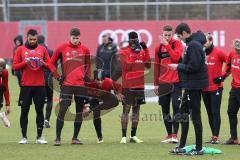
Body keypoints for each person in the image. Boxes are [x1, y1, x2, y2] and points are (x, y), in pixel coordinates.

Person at [168, 23, 208, 155]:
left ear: (185, 32)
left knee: (195, 116)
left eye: (180, 36)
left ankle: (199, 148)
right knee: (182, 114)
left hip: (195, 85)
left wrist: (178, 66)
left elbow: (194, 67)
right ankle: (182, 146)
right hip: (189, 85)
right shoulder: (191, 45)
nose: (179, 39)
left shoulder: (194, 45)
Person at [50, 28, 91, 146]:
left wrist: (86, 78)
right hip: (67, 85)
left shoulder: (85, 49)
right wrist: (58, 77)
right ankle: (57, 138)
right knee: (62, 110)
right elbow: (51, 64)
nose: (75, 40)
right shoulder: (61, 48)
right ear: (70, 37)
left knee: (79, 112)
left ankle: (75, 138)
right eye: (73, 38)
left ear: (80, 37)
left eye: (77, 38)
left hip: (80, 86)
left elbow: (88, 65)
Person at [13, 29, 51, 144]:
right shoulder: (20, 49)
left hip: (40, 86)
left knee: (39, 111)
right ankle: (24, 137)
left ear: (37, 38)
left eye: (35, 39)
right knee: (24, 111)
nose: (33, 41)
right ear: (27, 38)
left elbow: (50, 66)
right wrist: (26, 62)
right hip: (26, 86)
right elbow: (15, 67)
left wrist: (43, 64)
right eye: (31, 39)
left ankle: (39, 137)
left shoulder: (43, 49)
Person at [119, 31, 151, 144]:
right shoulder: (123, 51)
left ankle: (133, 135)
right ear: (129, 40)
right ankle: (123, 136)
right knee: (126, 110)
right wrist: (134, 54)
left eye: (135, 39)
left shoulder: (141, 51)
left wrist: (145, 49)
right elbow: (126, 67)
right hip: (128, 86)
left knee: (136, 111)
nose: (134, 42)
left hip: (139, 86)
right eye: (132, 40)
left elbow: (148, 65)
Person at [154, 25, 183, 143]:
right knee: (165, 109)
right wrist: (156, 84)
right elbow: (156, 66)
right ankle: (169, 134)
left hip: (176, 83)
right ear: (162, 34)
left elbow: (176, 58)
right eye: (165, 35)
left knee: (176, 107)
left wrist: (167, 45)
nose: (167, 37)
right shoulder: (158, 47)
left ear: (172, 35)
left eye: (169, 35)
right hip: (163, 83)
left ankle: (175, 135)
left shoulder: (177, 44)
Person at [202, 33, 228, 144]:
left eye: (205, 41)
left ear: (211, 41)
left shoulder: (218, 52)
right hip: (204, 88)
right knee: (209, 112)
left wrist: (222, 76)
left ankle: (216, 137)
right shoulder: (201, 53)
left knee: (215, 112)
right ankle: (213, 136)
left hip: (216, 88)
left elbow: (230, 63)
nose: (203, 43)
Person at [84, 69, 123, 143]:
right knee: (96, 114)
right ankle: (99, 137)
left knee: (114, 101)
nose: (100, 82)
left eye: (102, 80)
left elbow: (119, 86)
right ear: (94, 79)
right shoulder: (89, 83)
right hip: (94, 97)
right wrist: (85, 105)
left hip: (105, 96)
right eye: (97, 80)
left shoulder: (109, 82)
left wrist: (119, 93)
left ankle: (91, 109)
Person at [223, 39, 240, 145]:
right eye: (236, 50)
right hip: (234, 89)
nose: (237, 52)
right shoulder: (232, 53)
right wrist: (222, 77)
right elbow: (228, 67)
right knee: (231, 112)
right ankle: (234, 138)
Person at [37, 35, 54, 128]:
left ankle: (41, 120)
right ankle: (47, 119)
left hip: (39, 78)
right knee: (50, 100)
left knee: (39, 101)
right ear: (45, 41)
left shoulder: (36, 52)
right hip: (49, 78)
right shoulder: (51, 51)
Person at [0, 58, 10, 127]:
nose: (1, 72)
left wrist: (7, 104)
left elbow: (5, 88)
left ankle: (2, 114)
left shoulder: (5, 72)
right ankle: (1, 115)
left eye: (1, 70)